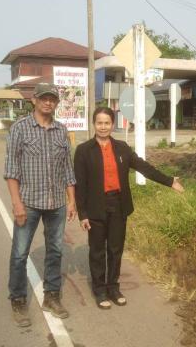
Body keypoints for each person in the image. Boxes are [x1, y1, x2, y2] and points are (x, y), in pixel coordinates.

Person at [74, 107, 184, 309]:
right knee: (97, 251)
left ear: (113, 124)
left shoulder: (122, 148)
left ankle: (113, 287)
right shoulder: (83, 151)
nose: (103, 127)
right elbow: (80, 185)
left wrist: (169, 181)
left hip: (118, 205)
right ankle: (99, 290)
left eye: (107, 123)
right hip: (96, 207)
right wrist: (83, 213)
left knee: (115, 249)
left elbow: (144, 167)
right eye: (99, 122)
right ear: (94, 124)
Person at [4, 83, 76, 327]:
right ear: (34, 100)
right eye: (44, 98)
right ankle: (18, 299)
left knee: (55, 251)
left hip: (56, 203)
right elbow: (11, 170)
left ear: (56, 103)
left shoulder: (61, 131)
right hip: (29, 202)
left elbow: (67, 169)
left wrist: (72, 200)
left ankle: (52, 297)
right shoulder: (20, 129)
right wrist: (17, 203)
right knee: (19, 253)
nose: (48, 102)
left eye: (52, 99)